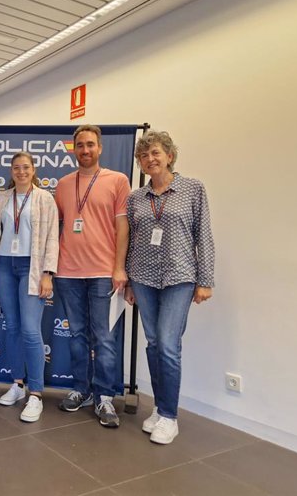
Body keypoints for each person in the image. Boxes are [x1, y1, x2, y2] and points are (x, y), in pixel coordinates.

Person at [124, 130, 215, 445]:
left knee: (168, 344)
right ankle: (161, 409)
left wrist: (206, 280)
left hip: (180, 276)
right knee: (152, 343)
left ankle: (169, 416)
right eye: (144, 156)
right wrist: (127, 280)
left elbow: (203, 235)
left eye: (156, 153)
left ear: (170, 156)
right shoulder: (136, 197)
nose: (150, 159)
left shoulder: (192, 189)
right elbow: (131, 240)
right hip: (142, 276)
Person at [54, 124, 131, 428]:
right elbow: (52, 229)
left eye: (90, 145)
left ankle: (105, 397)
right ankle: (80, 390)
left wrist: (119, 267)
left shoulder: (118, 181)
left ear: (100, 148)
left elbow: (123, 227)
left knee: (104, 337)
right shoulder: (62, 184)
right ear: (73, 149)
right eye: (80, 145)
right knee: (76, 335)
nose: (85, 150)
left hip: (102, 271)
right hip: (68, 272)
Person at [0, 152, 58, 422]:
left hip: (32, 267)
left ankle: (36, 394)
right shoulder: (2, 198)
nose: (21, 172)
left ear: (33, 169)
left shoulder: (44, 198)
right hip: (5, 265)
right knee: (13, 327)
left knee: (31, 329)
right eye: (16, 168)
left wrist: (48, 273)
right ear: (11, 170)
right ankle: (18, 385)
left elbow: (53, 237)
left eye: (25, 167)